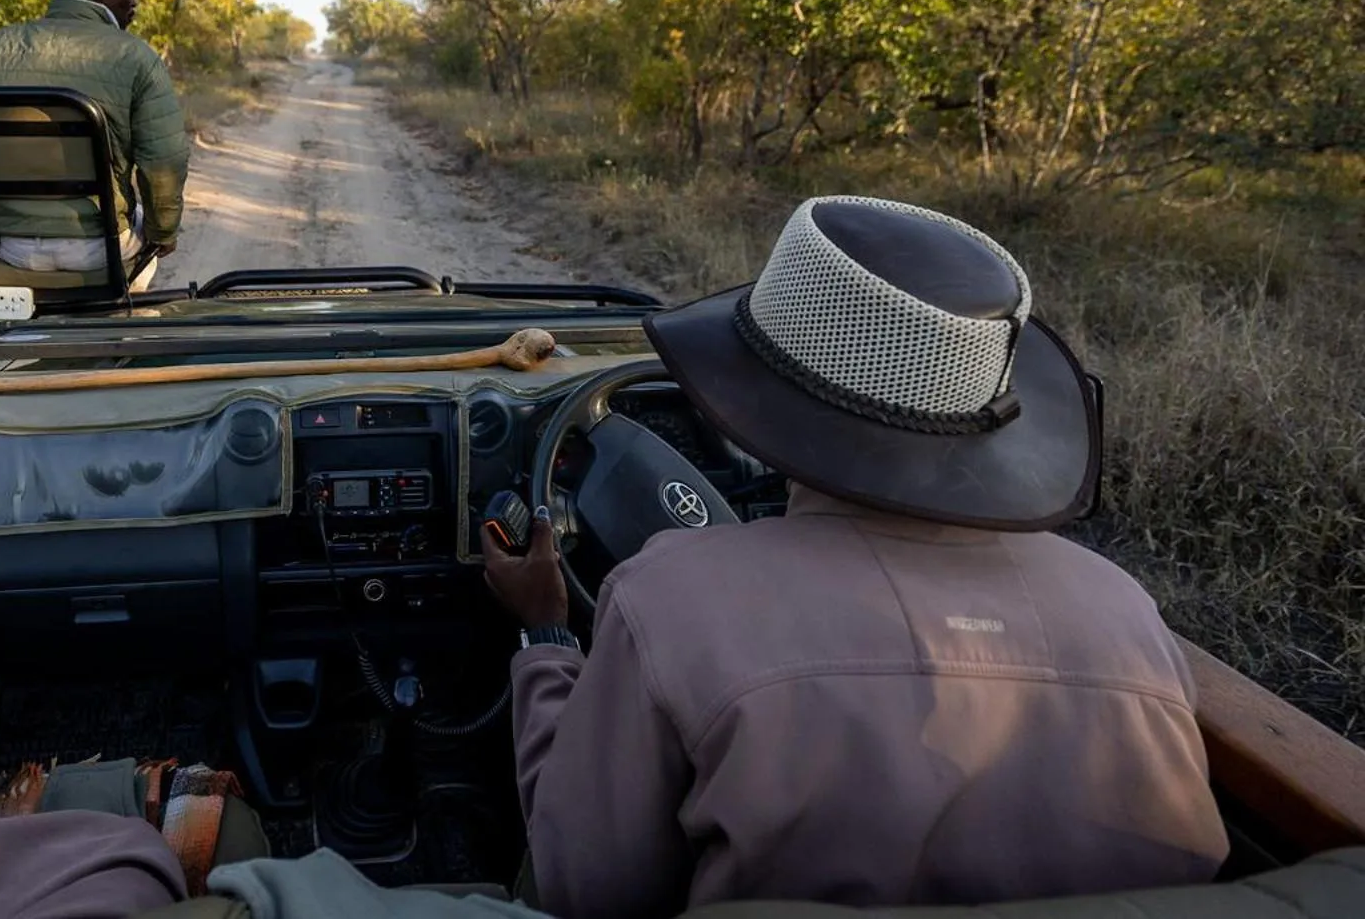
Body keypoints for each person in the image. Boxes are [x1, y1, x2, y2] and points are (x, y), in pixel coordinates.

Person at [483, 195, 1230, 918]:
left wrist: (545, 635)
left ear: (756, 403)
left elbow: (584, 885)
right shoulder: (1123, 609)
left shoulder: (668, 599)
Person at [0, 0, 188, 291]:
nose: (134, 3)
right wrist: (164, 233)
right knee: (146, 240)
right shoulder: (136, 57)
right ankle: (123, 333)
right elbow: (165, 162)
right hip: (102, 247)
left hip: (12, 247)